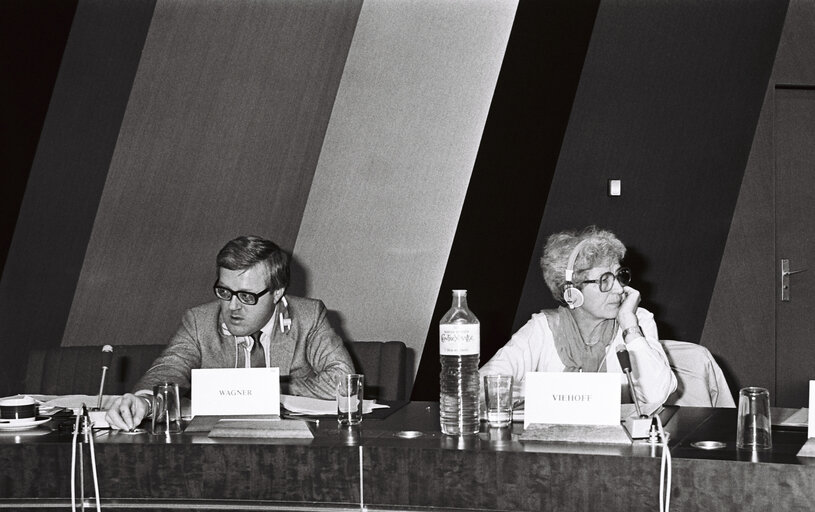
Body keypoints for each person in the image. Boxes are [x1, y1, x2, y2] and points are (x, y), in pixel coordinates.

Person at [106, 235, 355, 430]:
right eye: (225, 292)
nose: (233, 306)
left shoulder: (308, 316)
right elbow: (167, 369)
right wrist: (145, 401)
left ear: (277, 293)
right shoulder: (199, 321)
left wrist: (269, 392)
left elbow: (343, 380)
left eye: (247, 296)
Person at [480, 226, 676, 407]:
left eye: (619, 276)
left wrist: (630, 328)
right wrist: (535, 391)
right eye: (604, 280)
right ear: (572, 292)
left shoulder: (636, 320)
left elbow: (656, 395)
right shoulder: (543, 328)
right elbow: (482, 386)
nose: (619, 288)